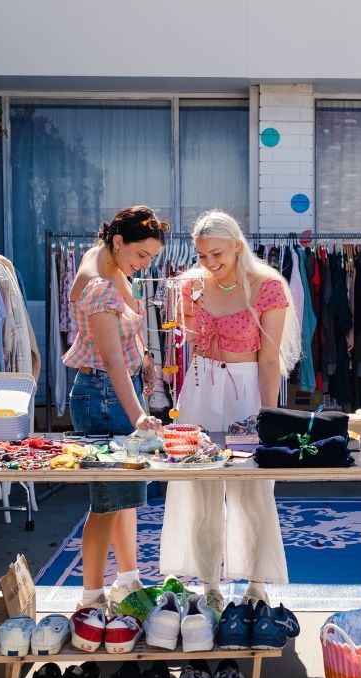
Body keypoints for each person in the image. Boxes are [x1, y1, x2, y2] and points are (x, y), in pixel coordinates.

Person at [159, 210, 301, 611]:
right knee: (200, 485)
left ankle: (256, 583)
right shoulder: (189, 287)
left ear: (238, 245)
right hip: (201, 388)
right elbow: (179, 340)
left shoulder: (267, 287)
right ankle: (209, 585)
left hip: (246, 392)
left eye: (217, 253)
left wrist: (270, 417)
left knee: (252, 489)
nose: (209, 263)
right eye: (202, 255)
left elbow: (270, 360)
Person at [62, 206, 168, 612]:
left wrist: (145, 357)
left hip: (110, 390)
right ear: (119, 242)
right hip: (104, 394)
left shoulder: (105, 259)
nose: (145, 264)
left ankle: (128, 582)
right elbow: (111, 361)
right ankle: (90, 599)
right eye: (142, 255)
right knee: (107, 503)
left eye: (152, 258)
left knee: (125, 497)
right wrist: (139, 413)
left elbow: (123, 343)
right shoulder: (100, 284)